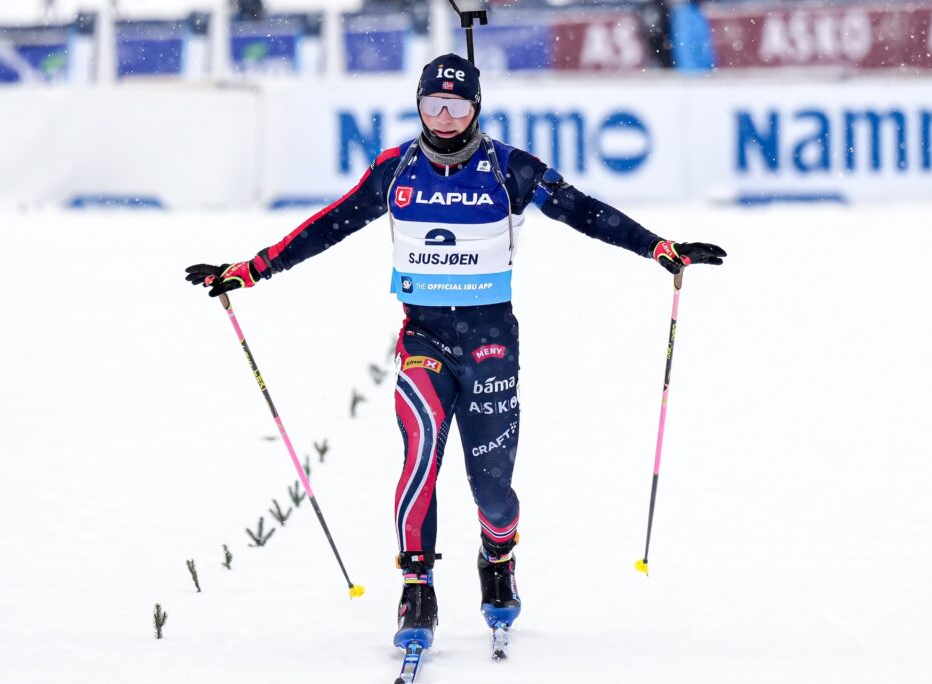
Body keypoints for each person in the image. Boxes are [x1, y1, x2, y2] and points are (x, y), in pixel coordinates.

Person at [185, 53, 725, 650]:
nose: (443, 118)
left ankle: (498, 558)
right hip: (425, 341)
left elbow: (583, 211)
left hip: (491, 346)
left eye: (457, 105)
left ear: (476, 109)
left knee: (492, 492)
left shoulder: (509, 169)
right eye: (431, 105)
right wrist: (253, 270)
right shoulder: (396, 169)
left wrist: (658, 248)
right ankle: (417, 585)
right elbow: (329, 224)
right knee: (419, 455)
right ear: (417, 106)